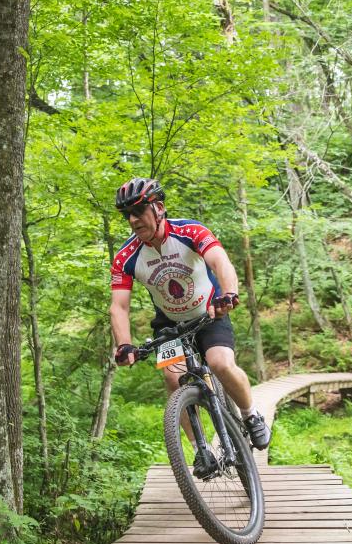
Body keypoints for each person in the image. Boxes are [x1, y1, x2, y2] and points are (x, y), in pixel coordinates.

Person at [109, 177, 271, 458]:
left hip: (210, 312)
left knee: (220, 363)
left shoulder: (190, 231)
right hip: (170, 325)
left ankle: (250, 414)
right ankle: (201, 449)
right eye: (128, 215)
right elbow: (119, 306)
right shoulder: (126, 257)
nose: (133, 220)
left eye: (139, 211)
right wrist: (124, 344)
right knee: (174, 379)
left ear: (158, 208)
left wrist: (229, 294)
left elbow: (220, 261)